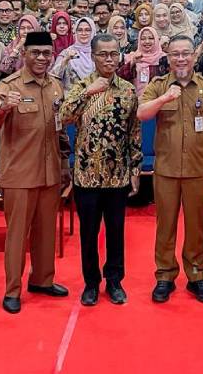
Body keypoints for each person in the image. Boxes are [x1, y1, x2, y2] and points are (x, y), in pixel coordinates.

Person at [0, 31, 72, 314]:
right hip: (19, 174)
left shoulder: (56, 86)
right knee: (17, 235)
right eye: (35, 53)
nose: (41, 58)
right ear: (24, 54)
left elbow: (60, 129)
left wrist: (64, 166)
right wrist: (3, 108)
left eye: (47, 53)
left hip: (50, 172)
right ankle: (12, 289)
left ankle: (42, 280)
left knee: (46, 231)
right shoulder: (9, 86)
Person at [138, 35, 203, 303]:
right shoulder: (159, 85)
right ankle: (165, 276)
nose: (181, 59)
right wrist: (165, 98)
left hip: (197, 170)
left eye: (186, 53)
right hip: (166, 170)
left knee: (196, 226)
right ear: (168, 58)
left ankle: (197, 275)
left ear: (194, 56)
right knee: (165, 226)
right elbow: (142, 113)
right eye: (175, 54)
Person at [59, 34, 141, 306]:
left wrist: (135, 168)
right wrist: (88, 93)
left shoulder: (128, 90)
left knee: (116, 232)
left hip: (117, 175)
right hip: (87, 175)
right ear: (93, 57)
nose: (109, 59)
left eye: (114, 54)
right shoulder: (81, 86)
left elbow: (134, 131)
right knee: (89, 233)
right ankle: (91, 282)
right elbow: (64, 117)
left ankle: (115, 280)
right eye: (103, 54)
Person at [118, 26, 169, 95]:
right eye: (143, 39)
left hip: (159, 99)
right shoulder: (131, 57)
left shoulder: (164, 58)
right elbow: (119, 80)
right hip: (135, 99)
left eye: (151, 38)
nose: (147, 41)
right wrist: (132, 63)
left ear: (156, 40)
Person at [51, 16, 97, 91]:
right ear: (75, 32)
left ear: (93, 32)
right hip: (71, 96)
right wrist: (66, 60)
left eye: (87, 30)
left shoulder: (98, 52)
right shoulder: (67, 52)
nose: (83, 33)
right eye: (80, 30)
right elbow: (53, 77)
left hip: (95, 95)